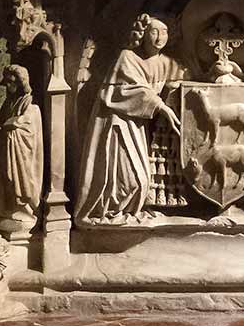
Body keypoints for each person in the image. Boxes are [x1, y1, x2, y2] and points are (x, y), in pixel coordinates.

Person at [76, 14, 186, 223]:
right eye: (154, 31)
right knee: (133, 180)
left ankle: (125, 211)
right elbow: (123, 92)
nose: (160, 36)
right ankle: (110, 212)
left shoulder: (167, 62)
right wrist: (160, 106)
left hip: (139, 127)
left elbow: (180, 80)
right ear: (143, 35)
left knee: (140, 182)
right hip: (117, 124)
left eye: (164, 31)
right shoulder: (127, 57)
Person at [0, 64, 44, 235]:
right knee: (3, 180)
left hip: (20, 153)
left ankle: (22, 210)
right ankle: (7, 209)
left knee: (16, 181)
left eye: (9, 82)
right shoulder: (9, 102)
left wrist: (15, 126)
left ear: (20, 83)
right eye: (5, 82)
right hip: (5, 150)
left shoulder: (30, 104)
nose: (6, 86)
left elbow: (30, 125)